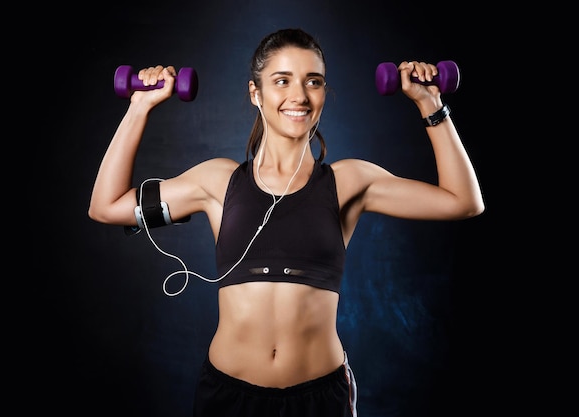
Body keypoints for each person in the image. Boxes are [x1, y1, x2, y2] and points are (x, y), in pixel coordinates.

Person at [88, 28, 484, 417]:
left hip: (320, 398)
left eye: (313, 81)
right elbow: (106, 206)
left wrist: (430, 103)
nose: (299, 95)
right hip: (228, 396)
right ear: (255, 94)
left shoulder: (349, 182)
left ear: (324, 93)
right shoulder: (216, 182)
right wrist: (139, 108)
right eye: (282, 80)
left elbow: (463, 201)